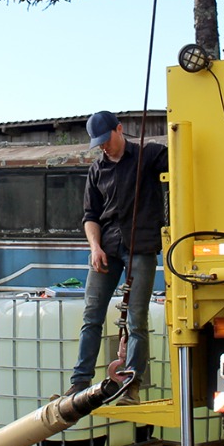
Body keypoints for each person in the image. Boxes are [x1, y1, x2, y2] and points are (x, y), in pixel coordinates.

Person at [69, 111, 167, 404]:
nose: (103, 147)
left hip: (142, 248)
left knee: (137, 319)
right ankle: (79, 383)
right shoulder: (97, 170)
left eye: (105, 140)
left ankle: (131, 386)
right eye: (97, 143)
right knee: (91, 315)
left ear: (120, 130)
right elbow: (90, 215)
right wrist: (95, 247)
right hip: (107, 250)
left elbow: (180, 158)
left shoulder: (148, 156)